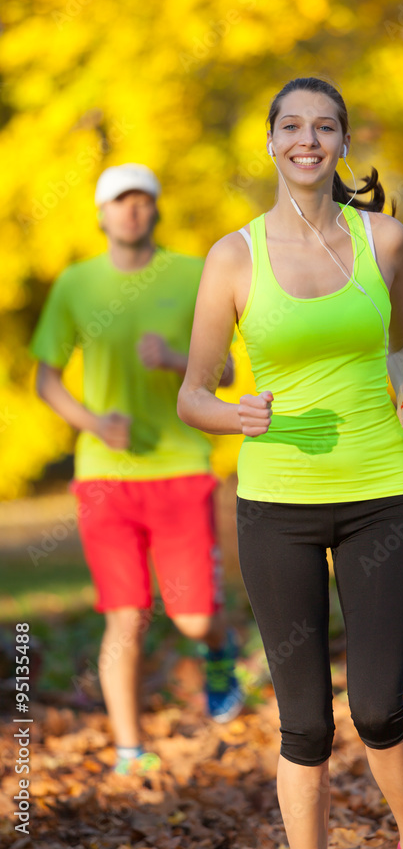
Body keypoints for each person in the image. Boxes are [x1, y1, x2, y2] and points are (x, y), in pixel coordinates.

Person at [177, 78, 403, 849]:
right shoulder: (232, 257)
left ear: (343, 143)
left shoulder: (383, 240)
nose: (308, 140)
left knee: (379, 708)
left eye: (325, 127)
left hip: (382, 493)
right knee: (304, 724)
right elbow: (193, 391)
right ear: (270, 142)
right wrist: (233, 414)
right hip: (276, 507)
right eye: (291, 126)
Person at [30, 163, 243, 775]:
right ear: (101, 214)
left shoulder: (192, 273)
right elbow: (45, 379)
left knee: (194, 615)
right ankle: (129, 751)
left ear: (155, 210)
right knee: (126, 613)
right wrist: (93, 423)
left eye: (142, 201)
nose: (131, 211)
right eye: (119, 202)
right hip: (104, 476)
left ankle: (219, 649)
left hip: (180, 468)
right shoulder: (75, 285)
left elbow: (225, 373)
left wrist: (177, 359)